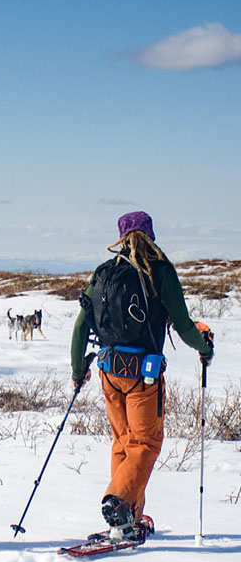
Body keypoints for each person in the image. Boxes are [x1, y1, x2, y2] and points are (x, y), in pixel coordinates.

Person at [70, 211, 213, 542]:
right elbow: (183, 324)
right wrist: (203, 347)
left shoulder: (104, 273)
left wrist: (79, 371)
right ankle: (118, 501)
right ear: (151, 235)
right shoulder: (159, 272)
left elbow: (80, 327)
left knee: (125, 441)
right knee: (146, 441)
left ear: (120, 238)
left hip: (108, 371)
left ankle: (127, 520)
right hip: (143, 376)